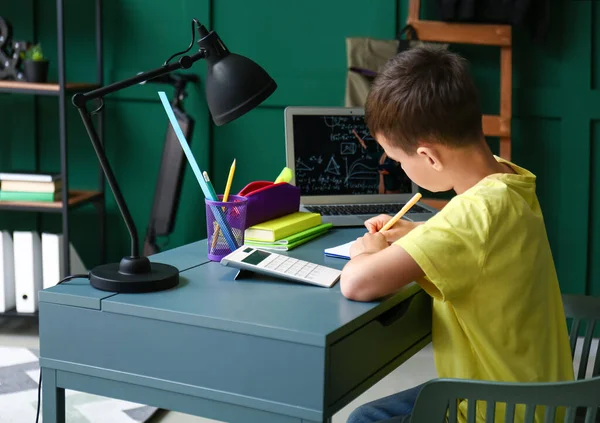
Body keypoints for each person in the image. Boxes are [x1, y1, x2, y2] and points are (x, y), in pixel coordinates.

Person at [340, 46, 574, 423]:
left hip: (496, 410)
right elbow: (480, 240)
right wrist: (418, 232)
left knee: (363, 420)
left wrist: (367, 251)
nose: (402, 169)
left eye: (400, 161)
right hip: (538, 395)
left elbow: (357, 283)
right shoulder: (509, 179)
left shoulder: (471, 216)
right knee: (373, 412)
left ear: (429, 157)